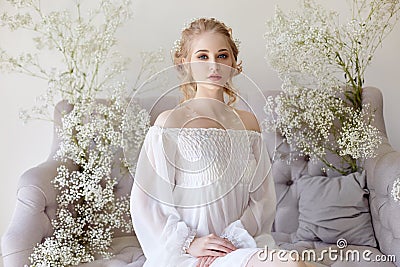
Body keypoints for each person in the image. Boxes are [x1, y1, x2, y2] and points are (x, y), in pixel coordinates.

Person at [130, 17, 312, 267]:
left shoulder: (249, 124)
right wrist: (190, 243)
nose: (214, 65)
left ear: (235, 64)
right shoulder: (170, 123)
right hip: (189, 254)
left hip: (240, 244)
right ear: (186, 63)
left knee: (294, 262)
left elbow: (262, 198)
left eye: (222, 56)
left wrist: (231, 239)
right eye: (203, 56)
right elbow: (146, 203)